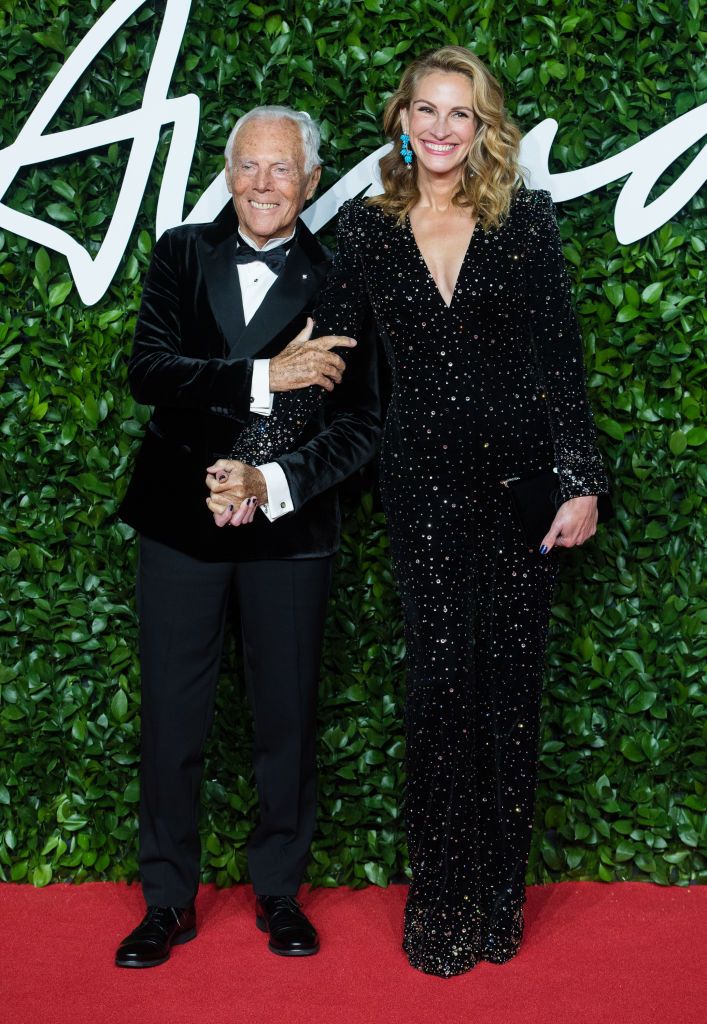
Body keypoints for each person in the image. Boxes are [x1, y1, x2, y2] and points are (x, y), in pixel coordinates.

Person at [219, 47, 609, 977]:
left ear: (482, 129)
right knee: (440, 696)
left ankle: (494, 903)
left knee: (507, 702)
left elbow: (559, 363)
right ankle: (438, 908)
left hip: (521, 490)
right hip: (423, 490)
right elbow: (328, 365)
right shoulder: (368, 229)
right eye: (426, 110)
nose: (441, 128)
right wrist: (252, 456)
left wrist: (581, 478)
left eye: (460, 114)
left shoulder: (525, 221)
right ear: (402, 120)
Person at [115, 105, 381, 968]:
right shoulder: (180, 255)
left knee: (285, 720)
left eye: (282, 170)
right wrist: (265, 376)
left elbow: (359, 425)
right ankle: (164, 901)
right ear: (227, 174)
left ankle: (277, 893)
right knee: (171, 718)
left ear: (310, 181)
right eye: (248, 168)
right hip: (179, 526)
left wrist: (269, 481)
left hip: (288, 535)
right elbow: (150, 370)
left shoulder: (343, 280)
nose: (263, 186)